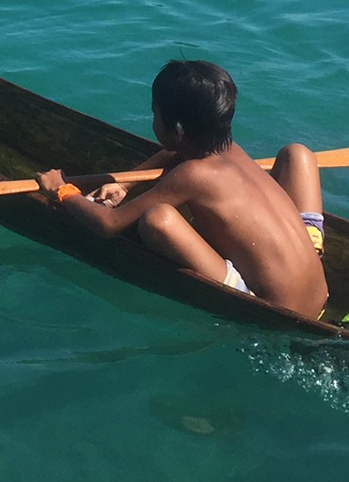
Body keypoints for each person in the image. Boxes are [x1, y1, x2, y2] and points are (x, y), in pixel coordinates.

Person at [35, 60, 328, 316]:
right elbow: (176, 154)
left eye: (154, 114)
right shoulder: (229, 151)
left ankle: (246, 290)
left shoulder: (192, 175)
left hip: (268, 306)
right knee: (296, 154)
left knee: (156, 220)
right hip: (319, 295)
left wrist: (62, 190)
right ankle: (312, 242)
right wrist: (126, 181)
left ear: (177, 129)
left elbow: (108, 225)